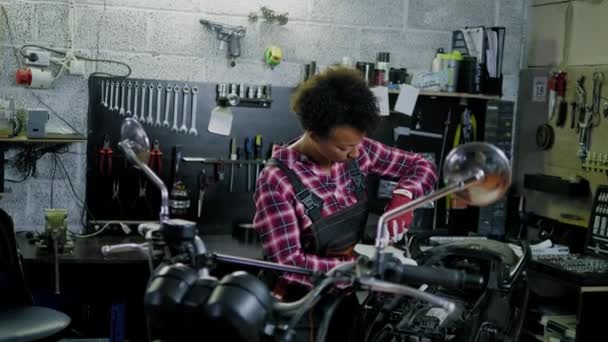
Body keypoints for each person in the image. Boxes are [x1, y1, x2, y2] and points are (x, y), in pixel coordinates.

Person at [253, 67, 437, 341]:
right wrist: (360, 271)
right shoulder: (277, 179)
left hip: (345, 300)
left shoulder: (359, 151)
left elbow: (421, 166)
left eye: (358, 143)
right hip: (298, 309)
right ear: (314, 134)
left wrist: (406, 197)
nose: (354, 153)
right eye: (343, 148)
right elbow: (288, 264)